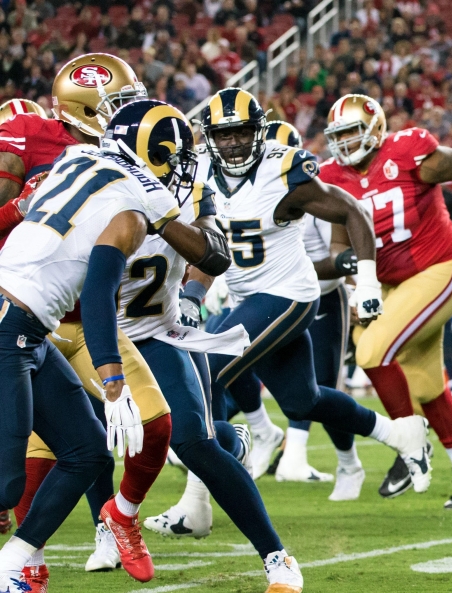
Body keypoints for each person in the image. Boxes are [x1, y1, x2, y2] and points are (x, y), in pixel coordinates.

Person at [183, 89, 436, 515]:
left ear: (257, 131)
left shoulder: (281, 170)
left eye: (242, 132)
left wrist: (368, 283)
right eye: (223, 134)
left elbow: (352, 211)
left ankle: (196, 503)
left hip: (289, 295)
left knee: (206, 370)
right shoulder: (198, 171)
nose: (232, 142)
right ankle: (401, 435)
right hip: (250, 295)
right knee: (304, 401)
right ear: (209, 137)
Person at [92, 101, 309, 591]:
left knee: (196, 443)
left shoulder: (190, 189)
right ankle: (65, 543)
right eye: (173, 151)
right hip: (92, 333)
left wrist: (189, 292)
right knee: (84, 444)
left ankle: (277, 558)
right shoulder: (93, 190)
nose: (186, 161)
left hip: (158, 333)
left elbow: (214, 253)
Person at [0, 54, 186, 587]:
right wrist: (111, 380)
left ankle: (14, 566)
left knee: (83, 451)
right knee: (6, 485)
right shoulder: (115, 184)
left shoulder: (86, 162)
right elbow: (103, 285)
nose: (130, 116)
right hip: (13, 319)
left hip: (33, 327)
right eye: (118, 108)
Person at [319, 94, 452, 508]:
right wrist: (360, 285)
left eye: (352, 132)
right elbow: (343, 245)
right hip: (391, 284)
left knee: (372, 349)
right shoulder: (333, 178)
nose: (344, 143)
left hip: (439, 268)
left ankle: (408, 442)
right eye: (337, 135)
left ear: (375, 130)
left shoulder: (408, 152)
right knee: (426, 383)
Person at [273, 119, 357, 492]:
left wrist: (357, 283)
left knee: (321, 384)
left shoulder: (312, 190)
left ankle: (345, 462)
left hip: (321, 294)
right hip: (273, 295)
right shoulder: (243, 191)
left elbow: (339, 254)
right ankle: (263, 437)